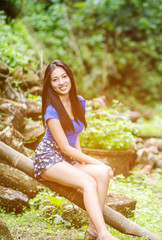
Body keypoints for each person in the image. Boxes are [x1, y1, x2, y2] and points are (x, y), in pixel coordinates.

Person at [33, 60, 119, 240]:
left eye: (64, 77)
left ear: (70, 78)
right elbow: (64, 147)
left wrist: (81, 161)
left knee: (103, 173)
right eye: (55, 79)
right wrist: (95, 161)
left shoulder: (79, 101)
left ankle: (93, 229)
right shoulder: (51, 111)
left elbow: (75, 134)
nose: (61, 82)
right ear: (50, 84)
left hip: (67, 158)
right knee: (88, 181)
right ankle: (104, 234)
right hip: (49, 158)